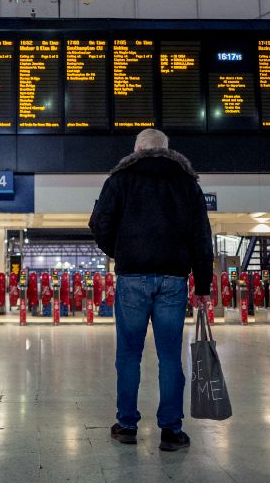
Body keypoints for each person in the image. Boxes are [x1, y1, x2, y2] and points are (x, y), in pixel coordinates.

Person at [89, 128, 213, 452]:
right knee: (170, 356)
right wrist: (203, 285)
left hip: (132, 279)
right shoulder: (187, 183)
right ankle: (171, 431)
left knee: (128, 355)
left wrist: (122, 251)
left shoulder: (120, 178)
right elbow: (202, 237)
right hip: (174, 280)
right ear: (166, 150)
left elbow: (99, 224)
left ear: (138, 149)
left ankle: (127, 425)